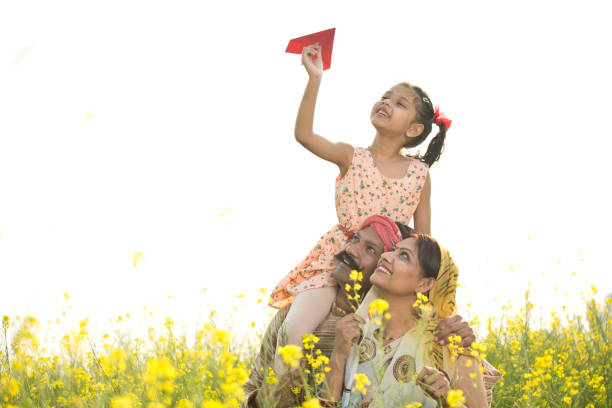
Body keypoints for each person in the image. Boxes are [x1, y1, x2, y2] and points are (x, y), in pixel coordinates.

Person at [269, 41, 453, 371]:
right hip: (339, 258)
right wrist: (314, 79)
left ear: (414, 129)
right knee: (294, 330)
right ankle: (282, 394)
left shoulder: (419, 175)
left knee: (380, 348)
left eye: (399, 103)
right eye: (385, 96)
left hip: (384, 269)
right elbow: (305, 135)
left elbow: (424, 242)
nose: (386, 103)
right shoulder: (351, 157)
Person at [243, 216, 499, 407]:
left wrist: (447, 396)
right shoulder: (346, 330)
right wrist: (275, 395)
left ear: (424, 283)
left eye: (372, 250)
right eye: (355, 239)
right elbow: (250, 390)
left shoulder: (444, 341)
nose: (351, 250)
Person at [323, 233, 488, 407]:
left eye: (404, 255)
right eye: (393, 250)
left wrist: (445, 399)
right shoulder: (355, 331)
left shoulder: (449, 347)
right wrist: (338, 357)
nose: (385, 256)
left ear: (423, 284)